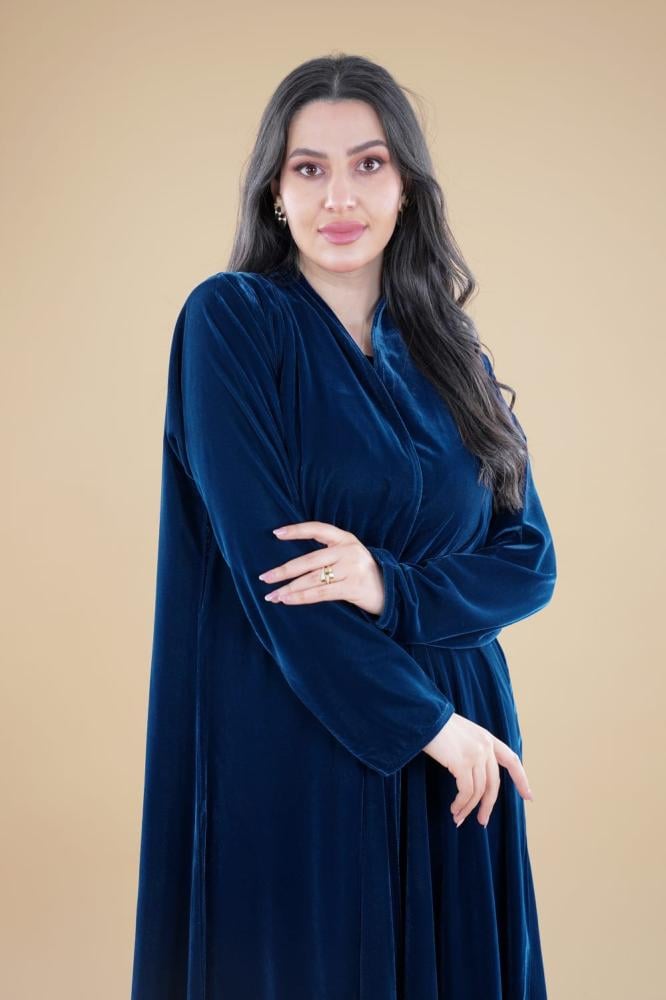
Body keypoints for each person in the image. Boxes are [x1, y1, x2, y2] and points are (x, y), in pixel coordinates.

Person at [130, 53, 557, 1000]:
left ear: (406, 187)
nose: (339, 197)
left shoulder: (451, 350)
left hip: (463, 750)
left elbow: (529, 560)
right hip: (302, 736)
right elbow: (273, 578)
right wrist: (427, 724)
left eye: (368, 164)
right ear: (275, 194)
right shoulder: (232, 323)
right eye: (308, 168)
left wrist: (390, 587)